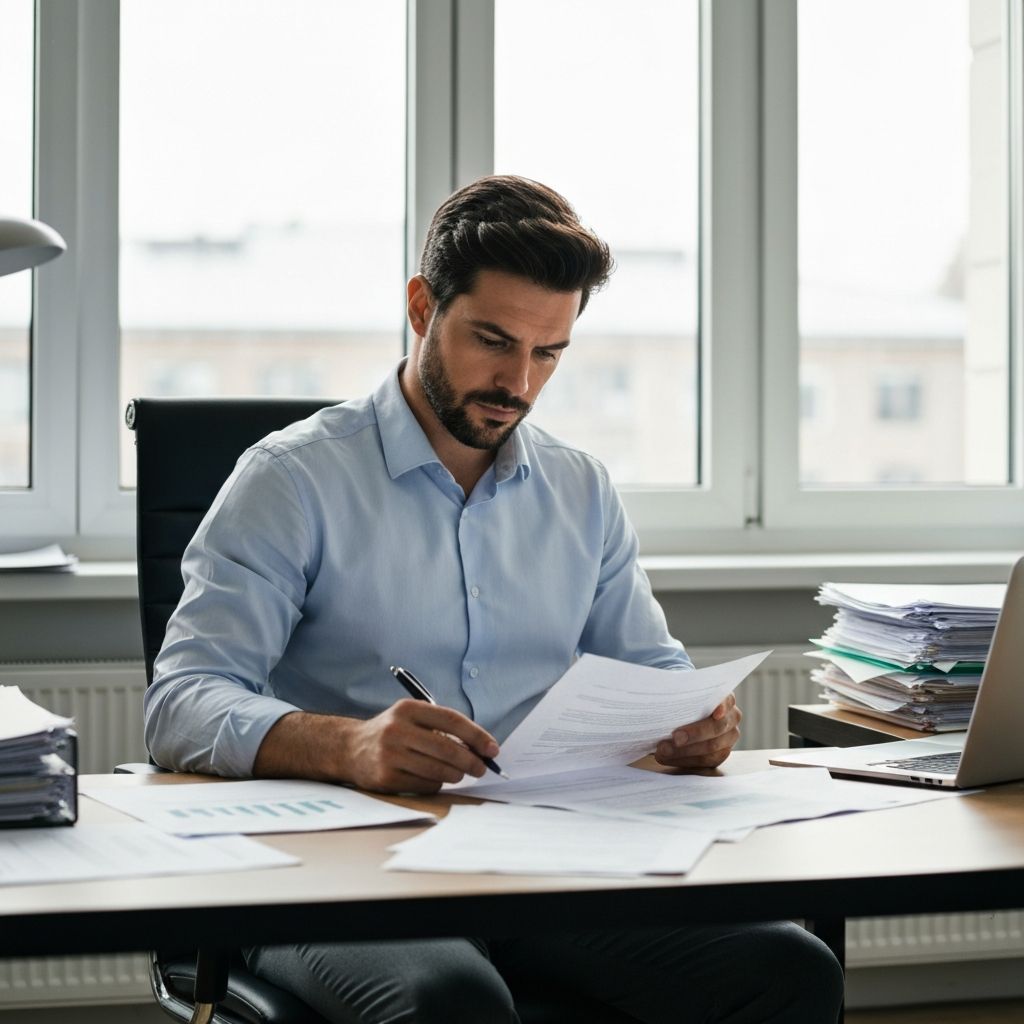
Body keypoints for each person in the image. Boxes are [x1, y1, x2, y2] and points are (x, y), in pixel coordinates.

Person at [145, 175, 844, 1023]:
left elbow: (654, 671)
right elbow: (180, 703)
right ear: (420, 307)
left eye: (548, 353)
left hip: (545, 858)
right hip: (337, 869)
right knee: (452, 1002)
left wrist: (697, 723)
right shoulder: (291, 480)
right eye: (493, 340)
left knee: (790, 968)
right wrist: (352, 746)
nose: (518, 380)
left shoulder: (580, 489)